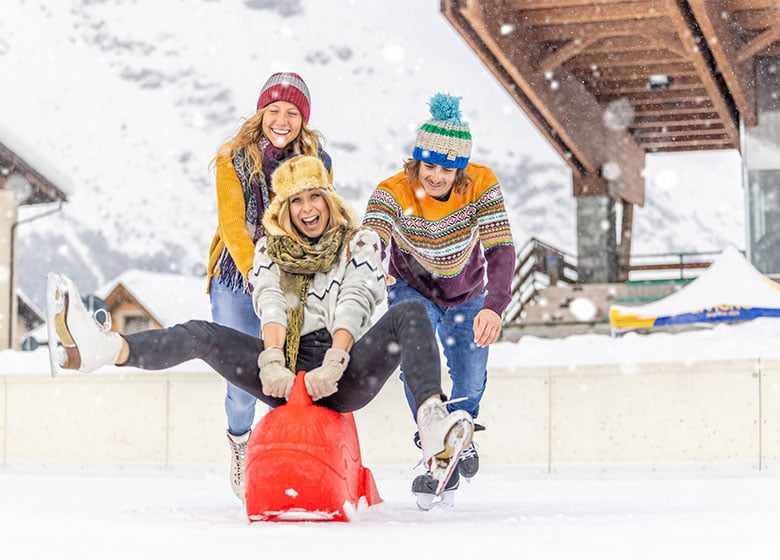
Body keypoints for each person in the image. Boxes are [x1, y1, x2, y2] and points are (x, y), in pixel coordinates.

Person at [47, 155, 473, 508]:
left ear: (328, 199)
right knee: (204, 334)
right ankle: (104, 350)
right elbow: (270, 301)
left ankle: (433, 425)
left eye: (314, 197)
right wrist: (271, 360)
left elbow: (356, 300)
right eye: (295, 202)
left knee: (411, 311)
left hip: (345, 371)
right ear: (282, 210)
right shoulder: (271, 249)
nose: (307, 209)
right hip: (283, 372)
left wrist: (337, 359)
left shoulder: (360, 243)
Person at [362, 93, 516, 497]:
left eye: (447, 170)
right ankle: (433, 442)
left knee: (471, 377)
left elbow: (500, 247)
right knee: (417, 360)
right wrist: (372, 271)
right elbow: (371, 237)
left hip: (468, 291)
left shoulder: (482, 183)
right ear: (416, 162)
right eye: (428, 166)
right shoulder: (391, 190)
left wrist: (494, 306)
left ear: (461, 169)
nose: (436, 176)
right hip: (411, 289)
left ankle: (461, 430)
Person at [206, 71, 332, 502]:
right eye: (274, 110)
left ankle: (294, 455)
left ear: (303, 119)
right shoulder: (233, 158)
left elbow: (322, 217)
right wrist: (256, 272)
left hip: (295, 276)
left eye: (292, 112)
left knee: (296, 373)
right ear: (261, 113)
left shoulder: (317, 161)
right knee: (242, 378)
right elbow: (233, 225)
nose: (282, 120)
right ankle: (241, 444)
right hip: (237, 278)